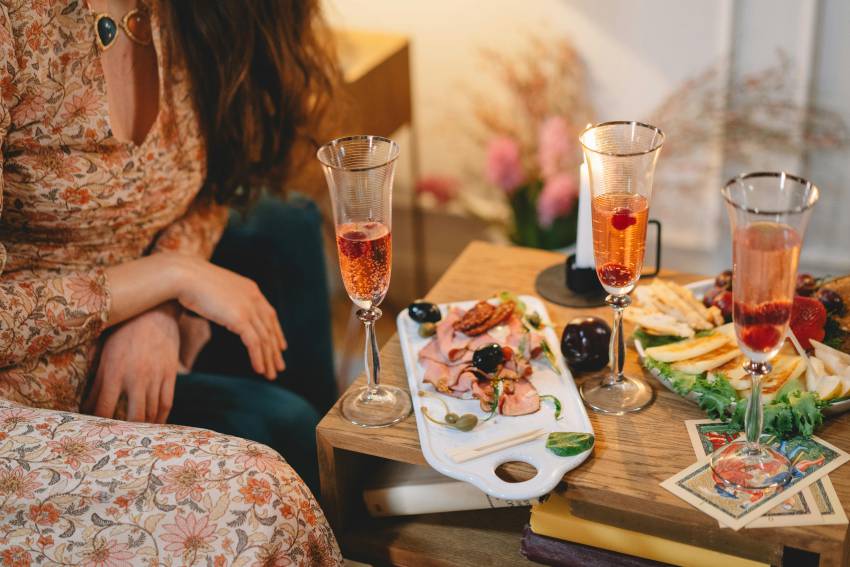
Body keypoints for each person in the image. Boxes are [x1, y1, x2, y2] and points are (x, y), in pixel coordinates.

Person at [0, 0, 336, 499]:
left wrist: (160, 306)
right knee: (284, 439)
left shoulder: (191, 13)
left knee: (287, 226)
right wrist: (168, 279)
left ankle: (342, 486)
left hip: (137, 344)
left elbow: (213, 185)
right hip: (32, 393)